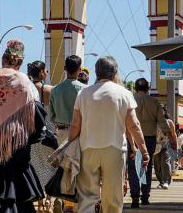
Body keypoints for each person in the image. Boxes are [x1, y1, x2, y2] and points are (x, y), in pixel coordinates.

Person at [0, 41, 58, 213]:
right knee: (19, 195)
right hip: (17, 144)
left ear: (3, 60)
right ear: (20, 62)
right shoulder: (22, 81)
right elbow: (35, 115)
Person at [68, 56, 146, 213]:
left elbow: (75, 124)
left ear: (96, 73)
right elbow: (133, 125)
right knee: (113, 196)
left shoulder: (83, 93)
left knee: (87, 194)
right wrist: (143, 150)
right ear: (115, 73)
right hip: (115, 149)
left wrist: (70, 146)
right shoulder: (124, 93)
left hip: (88, 148)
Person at [128, 77, 164, 205]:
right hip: (149, 139)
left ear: (135, 88)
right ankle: (145, 196)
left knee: (132, 167)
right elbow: (162, 122)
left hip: (132, 138)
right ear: (148, 89)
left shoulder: (130, 99)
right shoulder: (154, 102)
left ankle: (135, 197)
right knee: (147, 167)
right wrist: (170, 136)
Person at [49, 55, 85, 144]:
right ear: (80, 70)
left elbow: (52, 115)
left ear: (65, 68)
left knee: (63, 158)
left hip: (61, 132)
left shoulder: (54, 90)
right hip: (80, 132)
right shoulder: (85, 90)